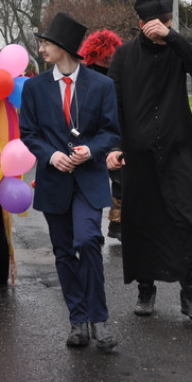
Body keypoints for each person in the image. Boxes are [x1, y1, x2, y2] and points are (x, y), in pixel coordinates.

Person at [106, 0, 192, 321]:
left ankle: (190, 293)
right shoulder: (124, 56)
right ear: (142, 23)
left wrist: (173, 37)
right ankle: (146, 290)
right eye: (157, 21)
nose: (161, 26)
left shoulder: (177, 50)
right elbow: (114, 104)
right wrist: (116, 146)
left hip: (179, 149)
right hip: (138, 153)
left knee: (191, 216)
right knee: (143, 221)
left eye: (167, 21)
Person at [20, 12, 121, 351]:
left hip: (89, 179)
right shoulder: (34, 87)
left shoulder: (102, 85)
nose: (42, 48)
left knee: (89, 240)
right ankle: (78, 320)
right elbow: (29, 133)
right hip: (54, 180)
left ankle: (99, 319)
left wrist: (90, 150)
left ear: (64, 47)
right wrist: (51, 155)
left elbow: (111, 131)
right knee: (64, 252)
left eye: (46, 43)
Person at [79, 29, 125, 240]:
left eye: (110, 54)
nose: (108, 58)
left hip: (116, 129)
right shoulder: (85, 75)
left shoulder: (120, 72)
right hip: (91, 133)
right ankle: (89, 229)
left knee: (121, 177)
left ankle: (117, 223)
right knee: (92, 179)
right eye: (104, 55)